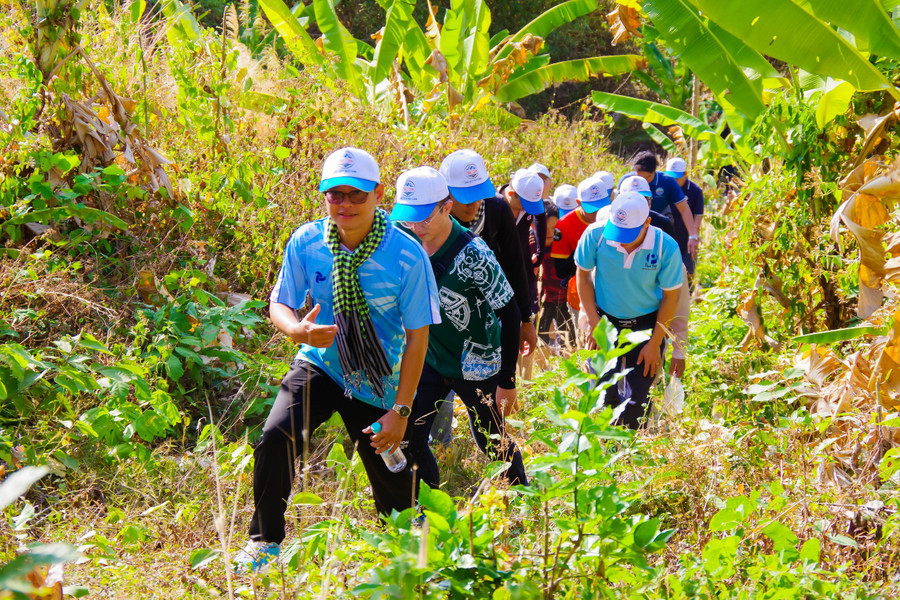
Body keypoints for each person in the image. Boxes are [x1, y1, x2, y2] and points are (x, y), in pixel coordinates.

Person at [235, 148, 440, 572]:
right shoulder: (308, 242)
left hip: (380, 377)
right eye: (334, 194)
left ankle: (408, 549)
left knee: (391, 481)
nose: (344, 204)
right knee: (276, 437)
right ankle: (264, 541)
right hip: (322, 362)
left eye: (356, 195)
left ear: (379, 194)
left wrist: (400, 410)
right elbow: (280, 303)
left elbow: (419, 339)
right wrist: (295, 330)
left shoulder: (406, 255)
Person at [390, 166, 528, 489]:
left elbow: (509, 312)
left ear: (446, 207)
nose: (416, 226)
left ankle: (523, 498)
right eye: (410, 216)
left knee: (491, 440)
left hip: (478, 365)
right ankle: (427, 507)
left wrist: (507, 380)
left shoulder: (475, 254)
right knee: (409, 434)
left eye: (425, 217)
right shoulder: (401, 237)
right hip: (431, 358)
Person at [575, 191, 684, 429]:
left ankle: (630, 455)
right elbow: (582, 276)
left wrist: (655, 343)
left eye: (628, 234)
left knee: (637, 401)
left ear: (647, 222)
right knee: (603, 394)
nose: (621, 241)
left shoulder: (666, 247)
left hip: (646, 326)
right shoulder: (596, 235)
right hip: (605, 321)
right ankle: (609, 448)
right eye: (618, 232)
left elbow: (670, 296)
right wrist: (594, 324)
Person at [550, 173, 612, 346]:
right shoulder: (564, 226)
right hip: (580, 298)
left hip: (614, 295)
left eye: (601, 206)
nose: (597, 213)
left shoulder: (614, 218)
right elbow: (560, 270)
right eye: (592, 208)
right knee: (587, 347)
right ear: (578, 203)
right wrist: (585, 247)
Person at [618, 151, 699, 259]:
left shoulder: (667, 182)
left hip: (660, 222)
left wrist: (692, 235)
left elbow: (684, 208)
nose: (644, 181)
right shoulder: (626, 182)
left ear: (655, 172)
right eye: (640, 177)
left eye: (648, 177)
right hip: (632, 222)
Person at [537, 202, 574, 353]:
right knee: (540, 340)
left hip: (565, 299)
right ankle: (542, 371)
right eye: (544, 228)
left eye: (554, 228)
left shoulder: (564, 244)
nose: (549, 233)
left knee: (570, 339)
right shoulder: (533, 246)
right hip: (543, 302)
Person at [663, 157, 704, 278]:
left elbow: (698, 214)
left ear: (685, 174)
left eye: (677, 178)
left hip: (686, 234)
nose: (674, 181)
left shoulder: (695, 190)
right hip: (669, 232)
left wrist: (694, 235)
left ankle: (690, 293)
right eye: (671, 177)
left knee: (688, 270)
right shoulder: (664, 187)